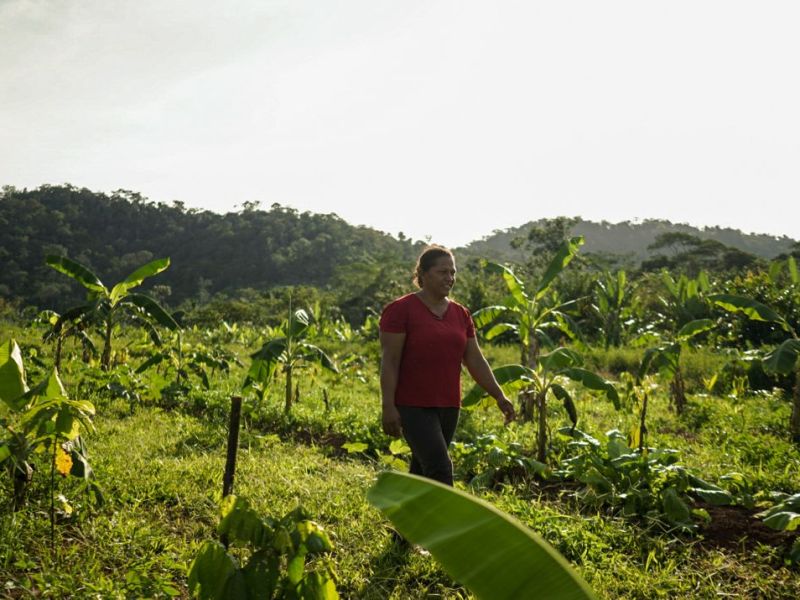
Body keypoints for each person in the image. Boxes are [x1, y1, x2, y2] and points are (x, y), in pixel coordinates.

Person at [379, 245, 516, 486]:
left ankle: (406, 510)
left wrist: (499, 395)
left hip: (449, 405)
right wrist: (388, 406)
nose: (450, 278)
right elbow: (390, 361)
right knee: (440, 468)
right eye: (443, 272)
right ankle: (447, 512)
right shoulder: (400, 310)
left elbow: (475, 359)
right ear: (423, 274)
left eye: (453, 272)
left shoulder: (461, 314)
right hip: (412, 405)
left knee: (422, 470)